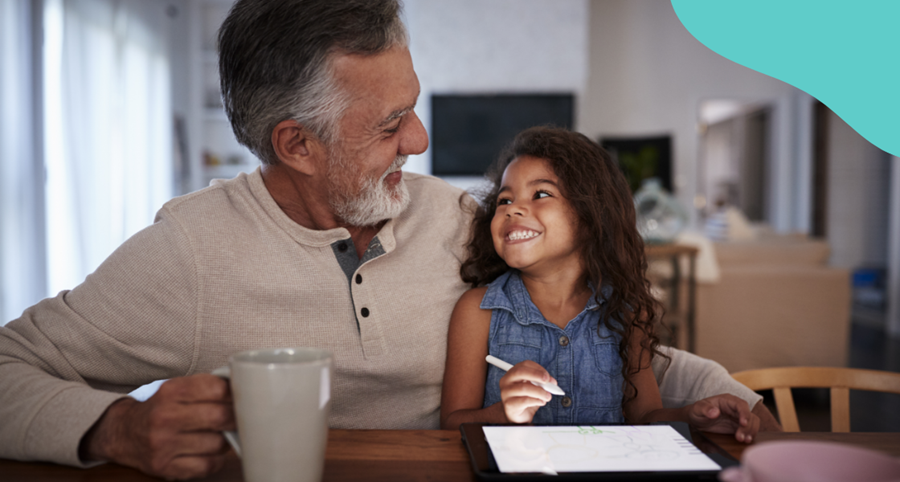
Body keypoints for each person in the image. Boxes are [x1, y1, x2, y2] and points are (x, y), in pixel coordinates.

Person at [0, 1, 776, 480]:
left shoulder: (468, 223)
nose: (421, 136)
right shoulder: (188, 255)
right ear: (296, 144)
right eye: (387, 123)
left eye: (413, 104)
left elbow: (602, 341)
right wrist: (118, 427)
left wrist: (734, 402)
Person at [440, 127, 760, 443]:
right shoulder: (478, 311)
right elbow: (453, 424)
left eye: (540, 194)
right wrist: (503, 415)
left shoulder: (626, 312)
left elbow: (644, 418)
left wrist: (691, 417)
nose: (513, 208)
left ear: (591, 215)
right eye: (504, 199)